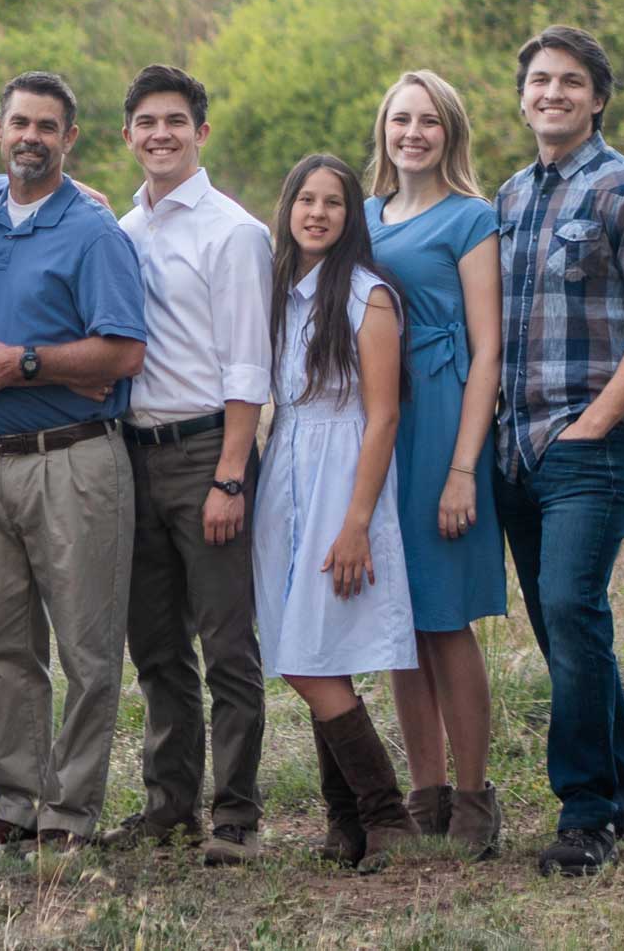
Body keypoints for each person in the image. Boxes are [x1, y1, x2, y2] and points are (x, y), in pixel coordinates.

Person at [493, 25, 624, 877]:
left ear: (598, 97)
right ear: (523, 94)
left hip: (592, 446)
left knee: (573, 611)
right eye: (540, 80)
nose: (553, 93)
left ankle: (585, 818)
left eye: (571, 81)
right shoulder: (506, 197)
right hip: (516, 448)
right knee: (563, 627)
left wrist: (597, 422)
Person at [0, 71, 148, 857]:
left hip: (75, 459)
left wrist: (27, 362)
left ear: (71, 138)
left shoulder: (95, 232)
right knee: (2, 646)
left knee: (88, 649)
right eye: (19, 122)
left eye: (48, 126)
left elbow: (124, 350)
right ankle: (15, 800)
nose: (31, 135)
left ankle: (70, 811)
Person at [103, 66, 272, 867]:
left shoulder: (233, 232)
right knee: (158, 646)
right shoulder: (124, 232)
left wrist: (231, 475)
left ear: (201, 132)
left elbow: (248, 366)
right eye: (146, 121)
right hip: (132, 454)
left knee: (228, 644)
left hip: (210, 448)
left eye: (176, 120)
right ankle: (170, 805)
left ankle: (235, 813)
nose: (161, 133)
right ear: (128, 134)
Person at [252, 153, 420, 869]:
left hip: (341, 476)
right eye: (306, 199)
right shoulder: (280, 289)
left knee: (310, 650)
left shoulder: (366, 294)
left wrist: (356, 522)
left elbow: (382, 417)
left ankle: (388, 815)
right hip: (284, 468)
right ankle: (347, 822)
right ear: (288, 206)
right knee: (302, 644)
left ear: (351, 217)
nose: (317, 212)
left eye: (334, 202)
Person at [362, 71, 507, 858]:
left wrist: (462, 468)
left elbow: (488, 350)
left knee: (445, 618)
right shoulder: (362, 216)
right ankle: (426, 792)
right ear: (382, 129)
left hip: (444, 415)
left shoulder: (471, 218)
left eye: (427, 121)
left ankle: (477, 796)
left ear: (449, 132)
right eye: (399, 119)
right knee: (398, 622)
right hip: (377, 421)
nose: (411, 132)